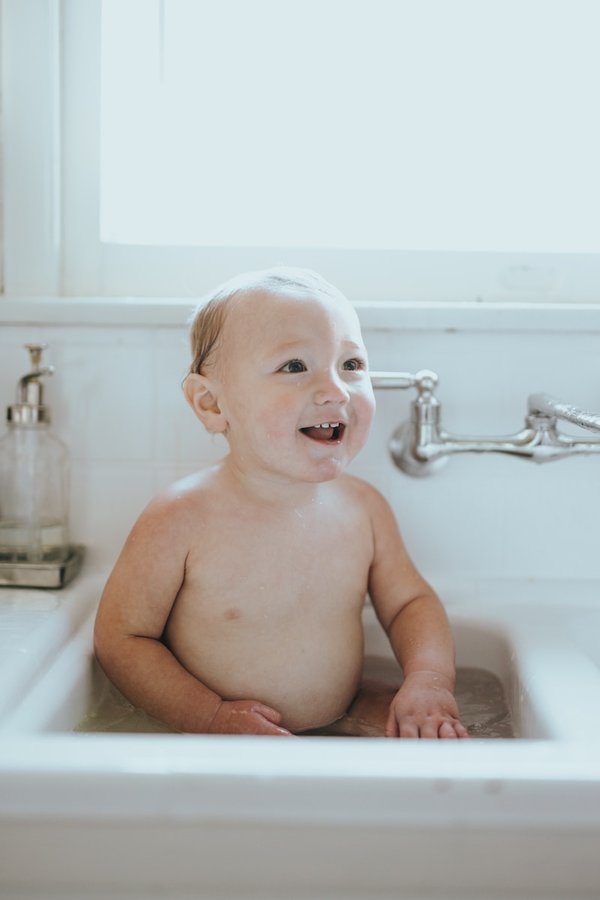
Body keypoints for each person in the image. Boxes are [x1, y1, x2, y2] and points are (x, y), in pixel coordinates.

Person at [94, 267, 468, 739]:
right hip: (217, 740)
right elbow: (123, 639)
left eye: (351, 365)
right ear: (211, 404)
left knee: (445, 745)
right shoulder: (182, 517)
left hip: (342, 715)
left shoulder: (364, 509)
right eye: (294, 366)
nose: (336, 389)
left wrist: (429, 681)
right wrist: (206, 716)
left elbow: (408, 603)